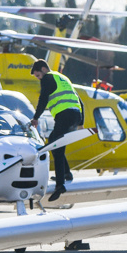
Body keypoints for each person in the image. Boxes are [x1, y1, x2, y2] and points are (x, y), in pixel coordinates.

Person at [29, 59, 83, 201]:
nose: (39, 79)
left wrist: (35, 118)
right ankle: (66, 173)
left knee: (55, 145)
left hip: (64, 115)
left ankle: (60, 184)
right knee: (55, 141)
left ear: (43, 69)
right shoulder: (62, 78)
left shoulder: (47, 78)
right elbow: (80, 100)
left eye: (38, 76)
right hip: (75, 115)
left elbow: (43, 99)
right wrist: (81, 123)